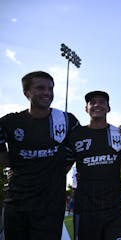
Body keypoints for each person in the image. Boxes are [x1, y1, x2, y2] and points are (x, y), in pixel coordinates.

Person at [0, 71, 79, 240]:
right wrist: (12, 164)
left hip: (50, 208)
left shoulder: (67, 120)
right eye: (40, 88)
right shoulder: (9, 122)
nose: (47, 93)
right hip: (17, 204)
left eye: (50, 88)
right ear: (26, 93)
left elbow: (82, 146)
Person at [66, 91, 121, 240]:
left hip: (115, 210)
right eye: (92, 102)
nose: (97, 105)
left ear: (108, 108)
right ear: (86, 108)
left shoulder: (120, 135)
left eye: (102, 102)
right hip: (85, 211)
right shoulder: (76, 135)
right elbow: (63, 168)